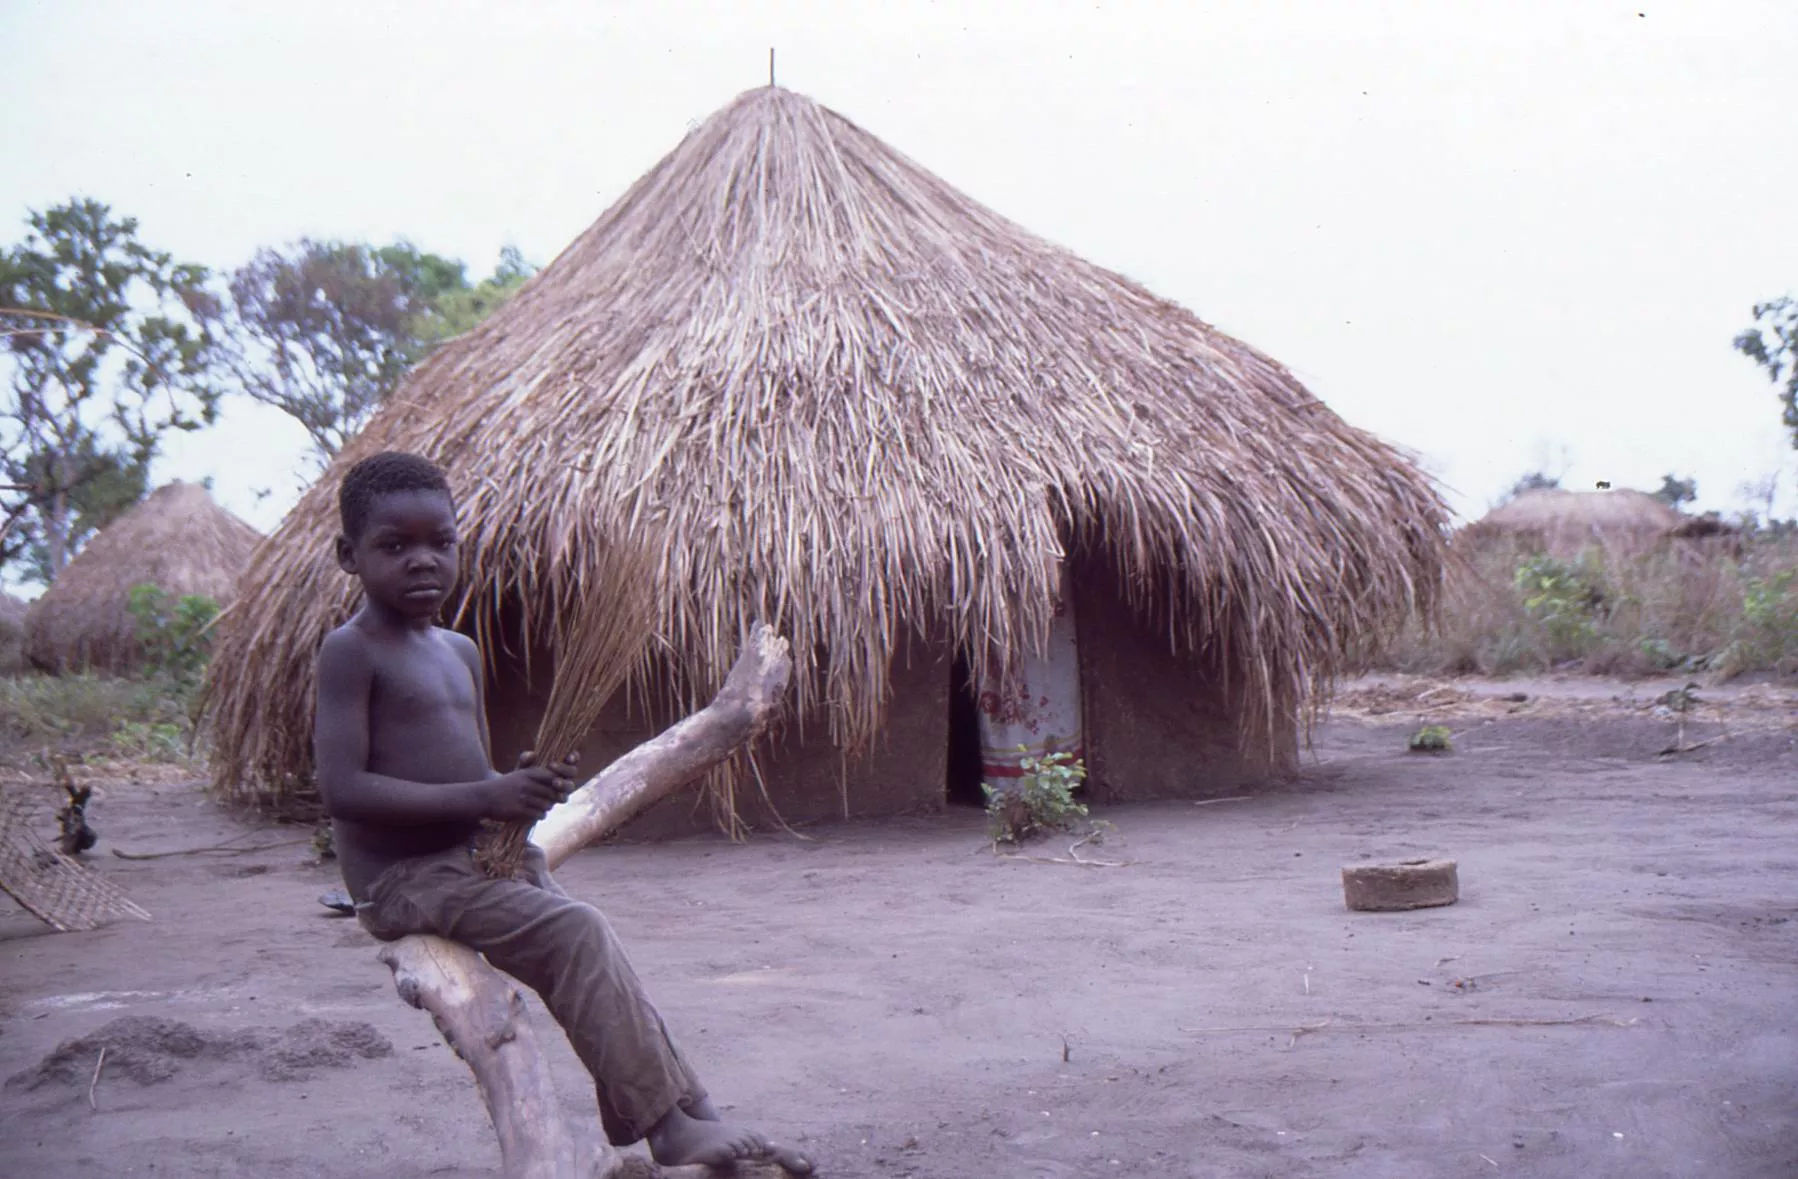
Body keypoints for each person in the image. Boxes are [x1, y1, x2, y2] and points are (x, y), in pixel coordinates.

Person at [312, 450, 811, 1174]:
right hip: (400, 880)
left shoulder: (458, 651)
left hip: (470, 857)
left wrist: (516, 788)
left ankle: (694, 1109)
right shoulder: (350, 652)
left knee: (594, 944)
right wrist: (485, 797)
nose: (422, 561)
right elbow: (343, 790)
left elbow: (470, 771)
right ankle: (667, 1129)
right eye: (395, 546)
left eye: (439, 543)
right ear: (348, 555)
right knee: (576, 931)